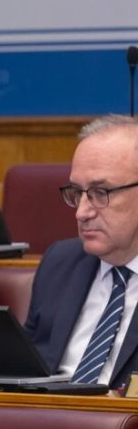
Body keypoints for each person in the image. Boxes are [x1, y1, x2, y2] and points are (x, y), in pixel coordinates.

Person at [27, 115, 138, 388]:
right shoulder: (61, 262)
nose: (81, 212)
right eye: (77, 192)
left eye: (101, 192)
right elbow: (26, 369)